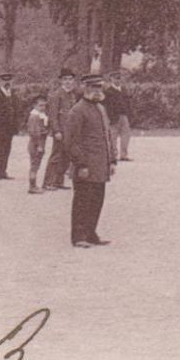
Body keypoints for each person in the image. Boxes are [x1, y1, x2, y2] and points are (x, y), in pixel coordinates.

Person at [64, 74, 117, 248]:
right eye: (94, 88)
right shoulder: (77, 110)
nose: (97, 91)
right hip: (85, 166)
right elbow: (71, 141)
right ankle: (78, 236)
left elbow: (107, 136)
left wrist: (112, 160)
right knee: (82, 201)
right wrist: (81, 164)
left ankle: (91, 233)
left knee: (96, 200)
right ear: (86, 88)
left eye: (99, 88)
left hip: (100, 166)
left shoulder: (101, 108)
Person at [44, 69, 80, 191]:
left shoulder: (72, 95)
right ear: (60, 81)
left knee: (66, 157)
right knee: (56, 156)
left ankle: (58, 181)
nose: (68, 82)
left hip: (70, 132)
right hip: (60, 132)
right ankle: (48, 182)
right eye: (65, 79)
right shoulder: (56, 95)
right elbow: (53, 116)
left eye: (70, 79)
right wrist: (56, 131)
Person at [104, 72, 133, 162]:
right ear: (111, 79)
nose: (118, 80)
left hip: (124, 116)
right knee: (113, 136)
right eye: (115, 78)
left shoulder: (124, 90)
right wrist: (108, 117)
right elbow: (106, 106)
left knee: (126, 135)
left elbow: (128, 103)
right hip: (113, 117)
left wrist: (129, 114)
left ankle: (123, 155)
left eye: (119, 78)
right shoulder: (108, 92)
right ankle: (113, 155)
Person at [25, 95, 50, 193]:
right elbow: (34, 133)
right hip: (36, 144)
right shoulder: (34, 117)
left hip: (39, 143)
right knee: (34, 166)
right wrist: (39, 145)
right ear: (34, 106)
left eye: (44, 106)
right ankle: (32, 186)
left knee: (36, 165)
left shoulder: (40, 116)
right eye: (40, 106)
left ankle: (33, 185)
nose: (43, 108)